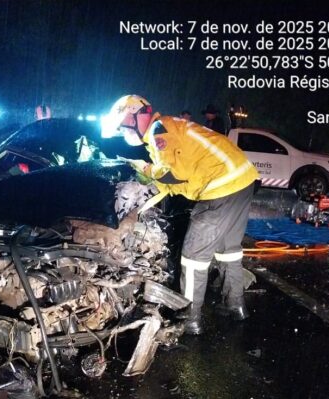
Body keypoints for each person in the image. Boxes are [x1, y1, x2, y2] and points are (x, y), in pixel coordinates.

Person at [107, 94, 258, 335]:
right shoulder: (170, 126)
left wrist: (145, 169)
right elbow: (172, 182)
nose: (124, 132)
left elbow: (171, 175)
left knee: (193, 257)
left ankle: (190, 320)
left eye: (124, 126)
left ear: (137, 117)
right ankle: (236, 305)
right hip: (242, 180)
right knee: (228, 251)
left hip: (221, 186)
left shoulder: (159, 132)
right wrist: (141, 206)